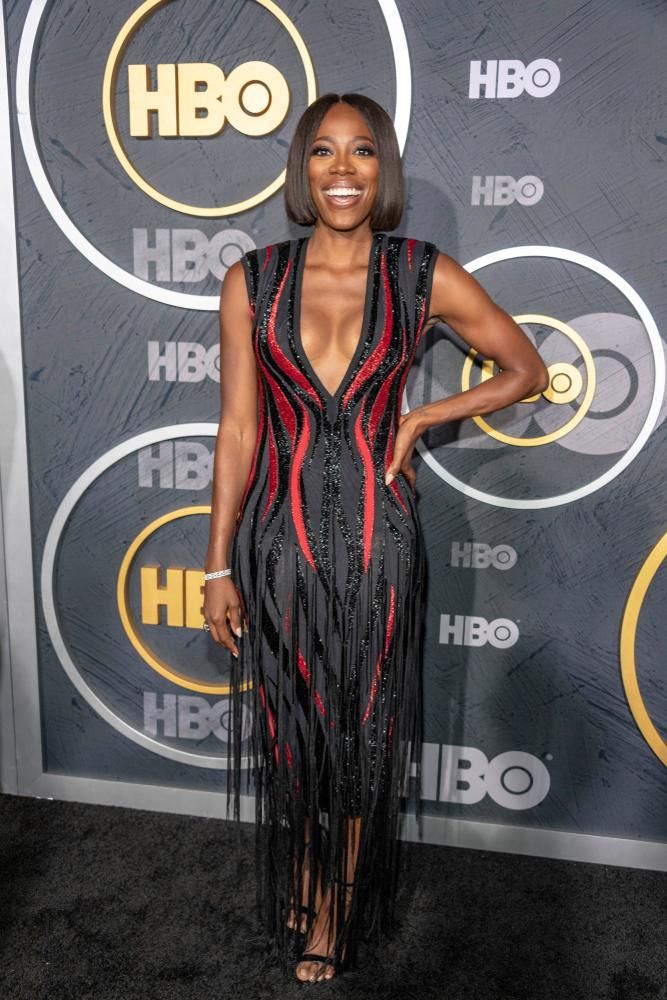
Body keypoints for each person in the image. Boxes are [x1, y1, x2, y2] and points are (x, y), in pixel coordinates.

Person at [203, 92, 549, 983]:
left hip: (378, 539)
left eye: (361, 151)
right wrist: (214, 567)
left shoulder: (420, 273)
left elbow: (526, 369)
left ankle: (337, 900)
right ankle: (306, 868)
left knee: (361, 728)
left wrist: (427, 414)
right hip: (276, 543)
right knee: (287, 725)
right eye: (323, 151)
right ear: (302, 169)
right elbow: (237, 430)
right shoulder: (252, 279)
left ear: (381, 168)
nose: (343, 169)